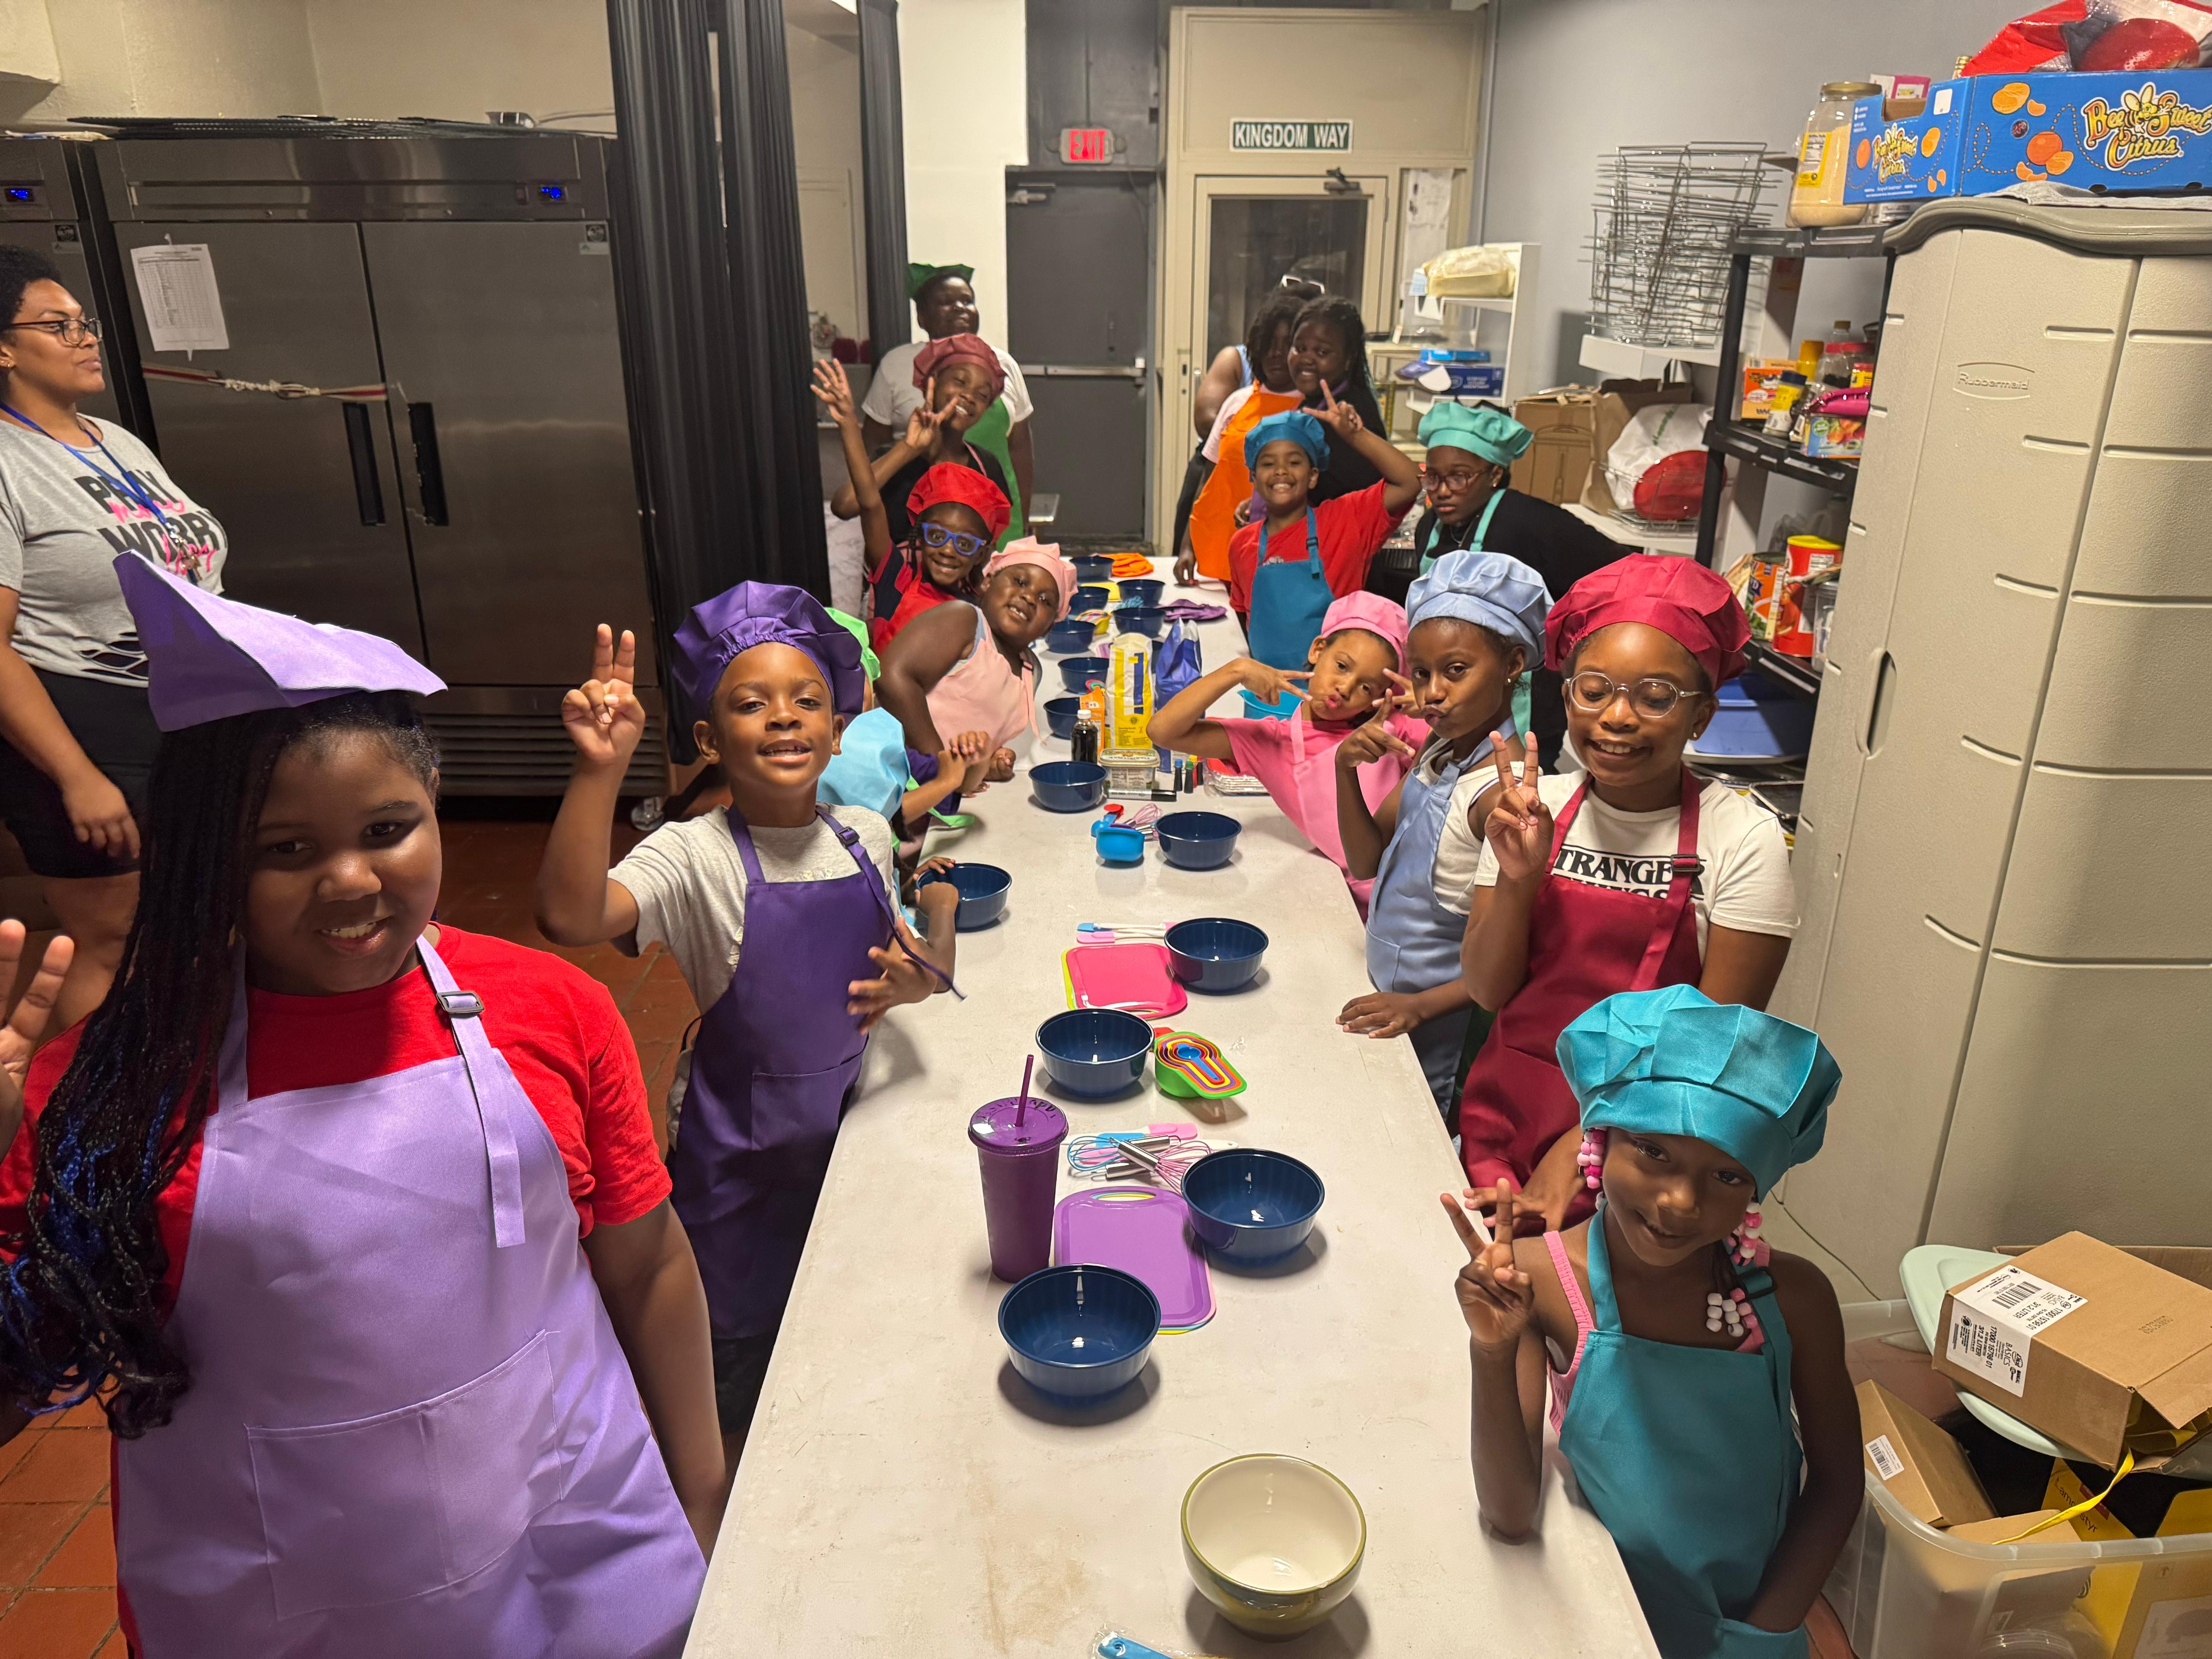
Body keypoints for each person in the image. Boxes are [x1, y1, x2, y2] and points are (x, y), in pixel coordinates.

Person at [0, 559, 714, 1656]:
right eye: (284, 849)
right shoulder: (114, 1088)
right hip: (284, 1607)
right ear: (207, 859)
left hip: (574, 1549)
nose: (348, 880)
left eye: (388, 828)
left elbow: (647, 1262)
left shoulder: (549, 1011)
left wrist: (704, 1488)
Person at [535, 587, 957, 1457]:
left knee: (840, 1340)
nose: (783, 719)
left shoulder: (865, 839)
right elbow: (573, 917)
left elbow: (907, 964)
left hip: (847, 1144)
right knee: (736, 1365)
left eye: (806, 700)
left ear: (837, 731)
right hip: (736, 1175)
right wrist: (598, 771)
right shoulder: (694, 856)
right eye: (749, 702)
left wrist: (918, 980)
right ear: (708, 740)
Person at [1445, 986, 1859, 1659]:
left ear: (1757, 1188)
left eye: (1727, 1176)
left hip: (1748, 1618)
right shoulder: (1540, 1282)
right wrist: (1491, 1352)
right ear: (1600, 1143)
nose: (1679, 1202)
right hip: (1594, 1613)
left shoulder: (1793, 1301)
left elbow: (1839, 1483)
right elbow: (1511, 1513)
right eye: (1653, 1153)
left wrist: (1765, 1632)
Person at [1455, 557, 1794, 1230]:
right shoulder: (1533, 810)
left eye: (1656, 696)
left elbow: (1706, 1058)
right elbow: (1488, 992)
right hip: (1502, 1118)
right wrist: (1519, 878)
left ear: (1701, 717)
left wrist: (1582, 1148)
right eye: (1595, 689)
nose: (1617, 717)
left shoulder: (1743, 839)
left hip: (1649, 1157)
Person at [0, 246, 229, 1032]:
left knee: (195, 927)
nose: (85, 337)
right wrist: (76, 777)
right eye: (57, 326)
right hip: (87, 727)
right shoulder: (3, 463)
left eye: (84, 322)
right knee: (110, 939)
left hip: (187, 717)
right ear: (3, 348)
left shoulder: (114, 440)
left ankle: (183, 1094)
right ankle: (83, 1124)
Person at [1337, 551, 1549, 1111]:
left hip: (1444, 1034)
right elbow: (1365, 862)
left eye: (1456, 671)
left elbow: (1511, 963)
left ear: (1513, 662)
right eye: (1422, 673)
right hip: (1385, 1000)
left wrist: (1420, 1007)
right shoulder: (1438, 752)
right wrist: (1345, 770)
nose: (1432, 693)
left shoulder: (1497, 797)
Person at [1144, 591, 1426, 913]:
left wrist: (1435, 714)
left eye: (1366, 687)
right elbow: (1163, 731)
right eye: (1342, 666)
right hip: (1364, 906)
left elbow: (1477, 755)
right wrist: (1235, 671)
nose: (1345, 688)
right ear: (1318, 650)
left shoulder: (1393, 729)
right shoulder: (1270, 744)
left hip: (1418, 892)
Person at [1401, 402, 1630, 769]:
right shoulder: (1431, 527)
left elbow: (1617, 571)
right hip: (1457, 698)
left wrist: (1576, 647)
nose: (1441, 491)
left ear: (1494, 473)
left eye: (1458, 477)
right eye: (1433, 478)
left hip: (1527, 702)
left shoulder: (1528, 522)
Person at [1226, 399, 1420, 718]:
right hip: (1267, 702)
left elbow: (1411, 481)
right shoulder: (1242, 544)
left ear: (1314, 475)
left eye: (1295, 462)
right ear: (1254, 475)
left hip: (1336, 708)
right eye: (1268, 463)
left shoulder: (1346, 521)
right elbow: (1247, 620)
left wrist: (1356, 435)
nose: (1281, 471)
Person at [819, 357, 1011, 652]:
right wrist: (848, 420)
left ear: (981, 552)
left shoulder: (977, 597)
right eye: (937, 536)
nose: (948, 549)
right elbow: (866, 503)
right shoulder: (896, 577)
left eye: (965, 544)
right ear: (921, 534)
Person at [875, 541, 1074, 791]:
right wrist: (941, 768)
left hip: (941, 799)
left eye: (1045, 601)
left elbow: (976, 725)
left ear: (1050, 626)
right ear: (988, 582)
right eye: (1020, 582)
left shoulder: (1030, 671)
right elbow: (893, 678)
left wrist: (983, 764)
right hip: (889, 782)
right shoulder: (964, 621)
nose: (1030, 598)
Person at [860, 262, 1034, 541]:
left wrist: (1022, 521)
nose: (960, 308)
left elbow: (1020, 448)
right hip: (919, 529)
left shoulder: (1004, 365)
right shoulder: (896, 365)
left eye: (968, 301)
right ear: (922, 317)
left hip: (996, 522)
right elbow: (872, 443)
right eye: (946, 302)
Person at [813, 606, 992, 838]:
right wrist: (944, 783)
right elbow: (869, 827)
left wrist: (978, 758)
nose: (843, 690)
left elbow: (959, 785)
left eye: (855, 674)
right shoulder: (800, 755)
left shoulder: (879, 742)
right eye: (827, 678)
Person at [1175, 286, 1309, 585]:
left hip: (1281, 556)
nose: (1275, 353)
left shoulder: (1312, 409)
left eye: (1285, 344)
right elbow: (1208, 481)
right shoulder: (1237, 401)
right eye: (1268, 343)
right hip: (1221, 547)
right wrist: (1187, 546)